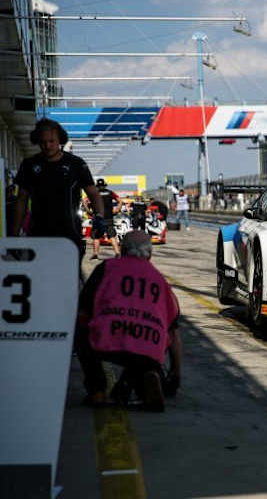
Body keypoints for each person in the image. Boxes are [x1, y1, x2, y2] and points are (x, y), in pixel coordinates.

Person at [76, 231, 182, 411]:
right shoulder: (159, 279)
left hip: (108, 339)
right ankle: (143, 380)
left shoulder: (106, 268)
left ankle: (98, 390)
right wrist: (176, 372)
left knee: (82, 329)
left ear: (123, 249)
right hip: (147, 347)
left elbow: (83, 311)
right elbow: (173, 330)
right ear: (149, 254)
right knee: (145, 352)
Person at [11, 118, 106, 263]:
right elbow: (21, 201)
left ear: (60, 140)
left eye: (51, 141)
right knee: (40, 282)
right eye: (43, 142)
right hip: (38, 236)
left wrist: (99, 217)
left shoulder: (77, 164)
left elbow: (93, 194)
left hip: (70, 236)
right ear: (37, 141)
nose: (47, 146)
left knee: (69, 283)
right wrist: (14, 236)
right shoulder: (29, 165)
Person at [90, 178, 121, 260]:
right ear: (104, 185)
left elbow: (84, 201)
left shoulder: (94, 193)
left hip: (98, 218)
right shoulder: (110, 192)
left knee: (96, 237)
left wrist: (88, 211)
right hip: (108, 218)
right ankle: (117, 253)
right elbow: (120, 201)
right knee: (112, 236)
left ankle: (95, 254)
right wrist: (117, 209)